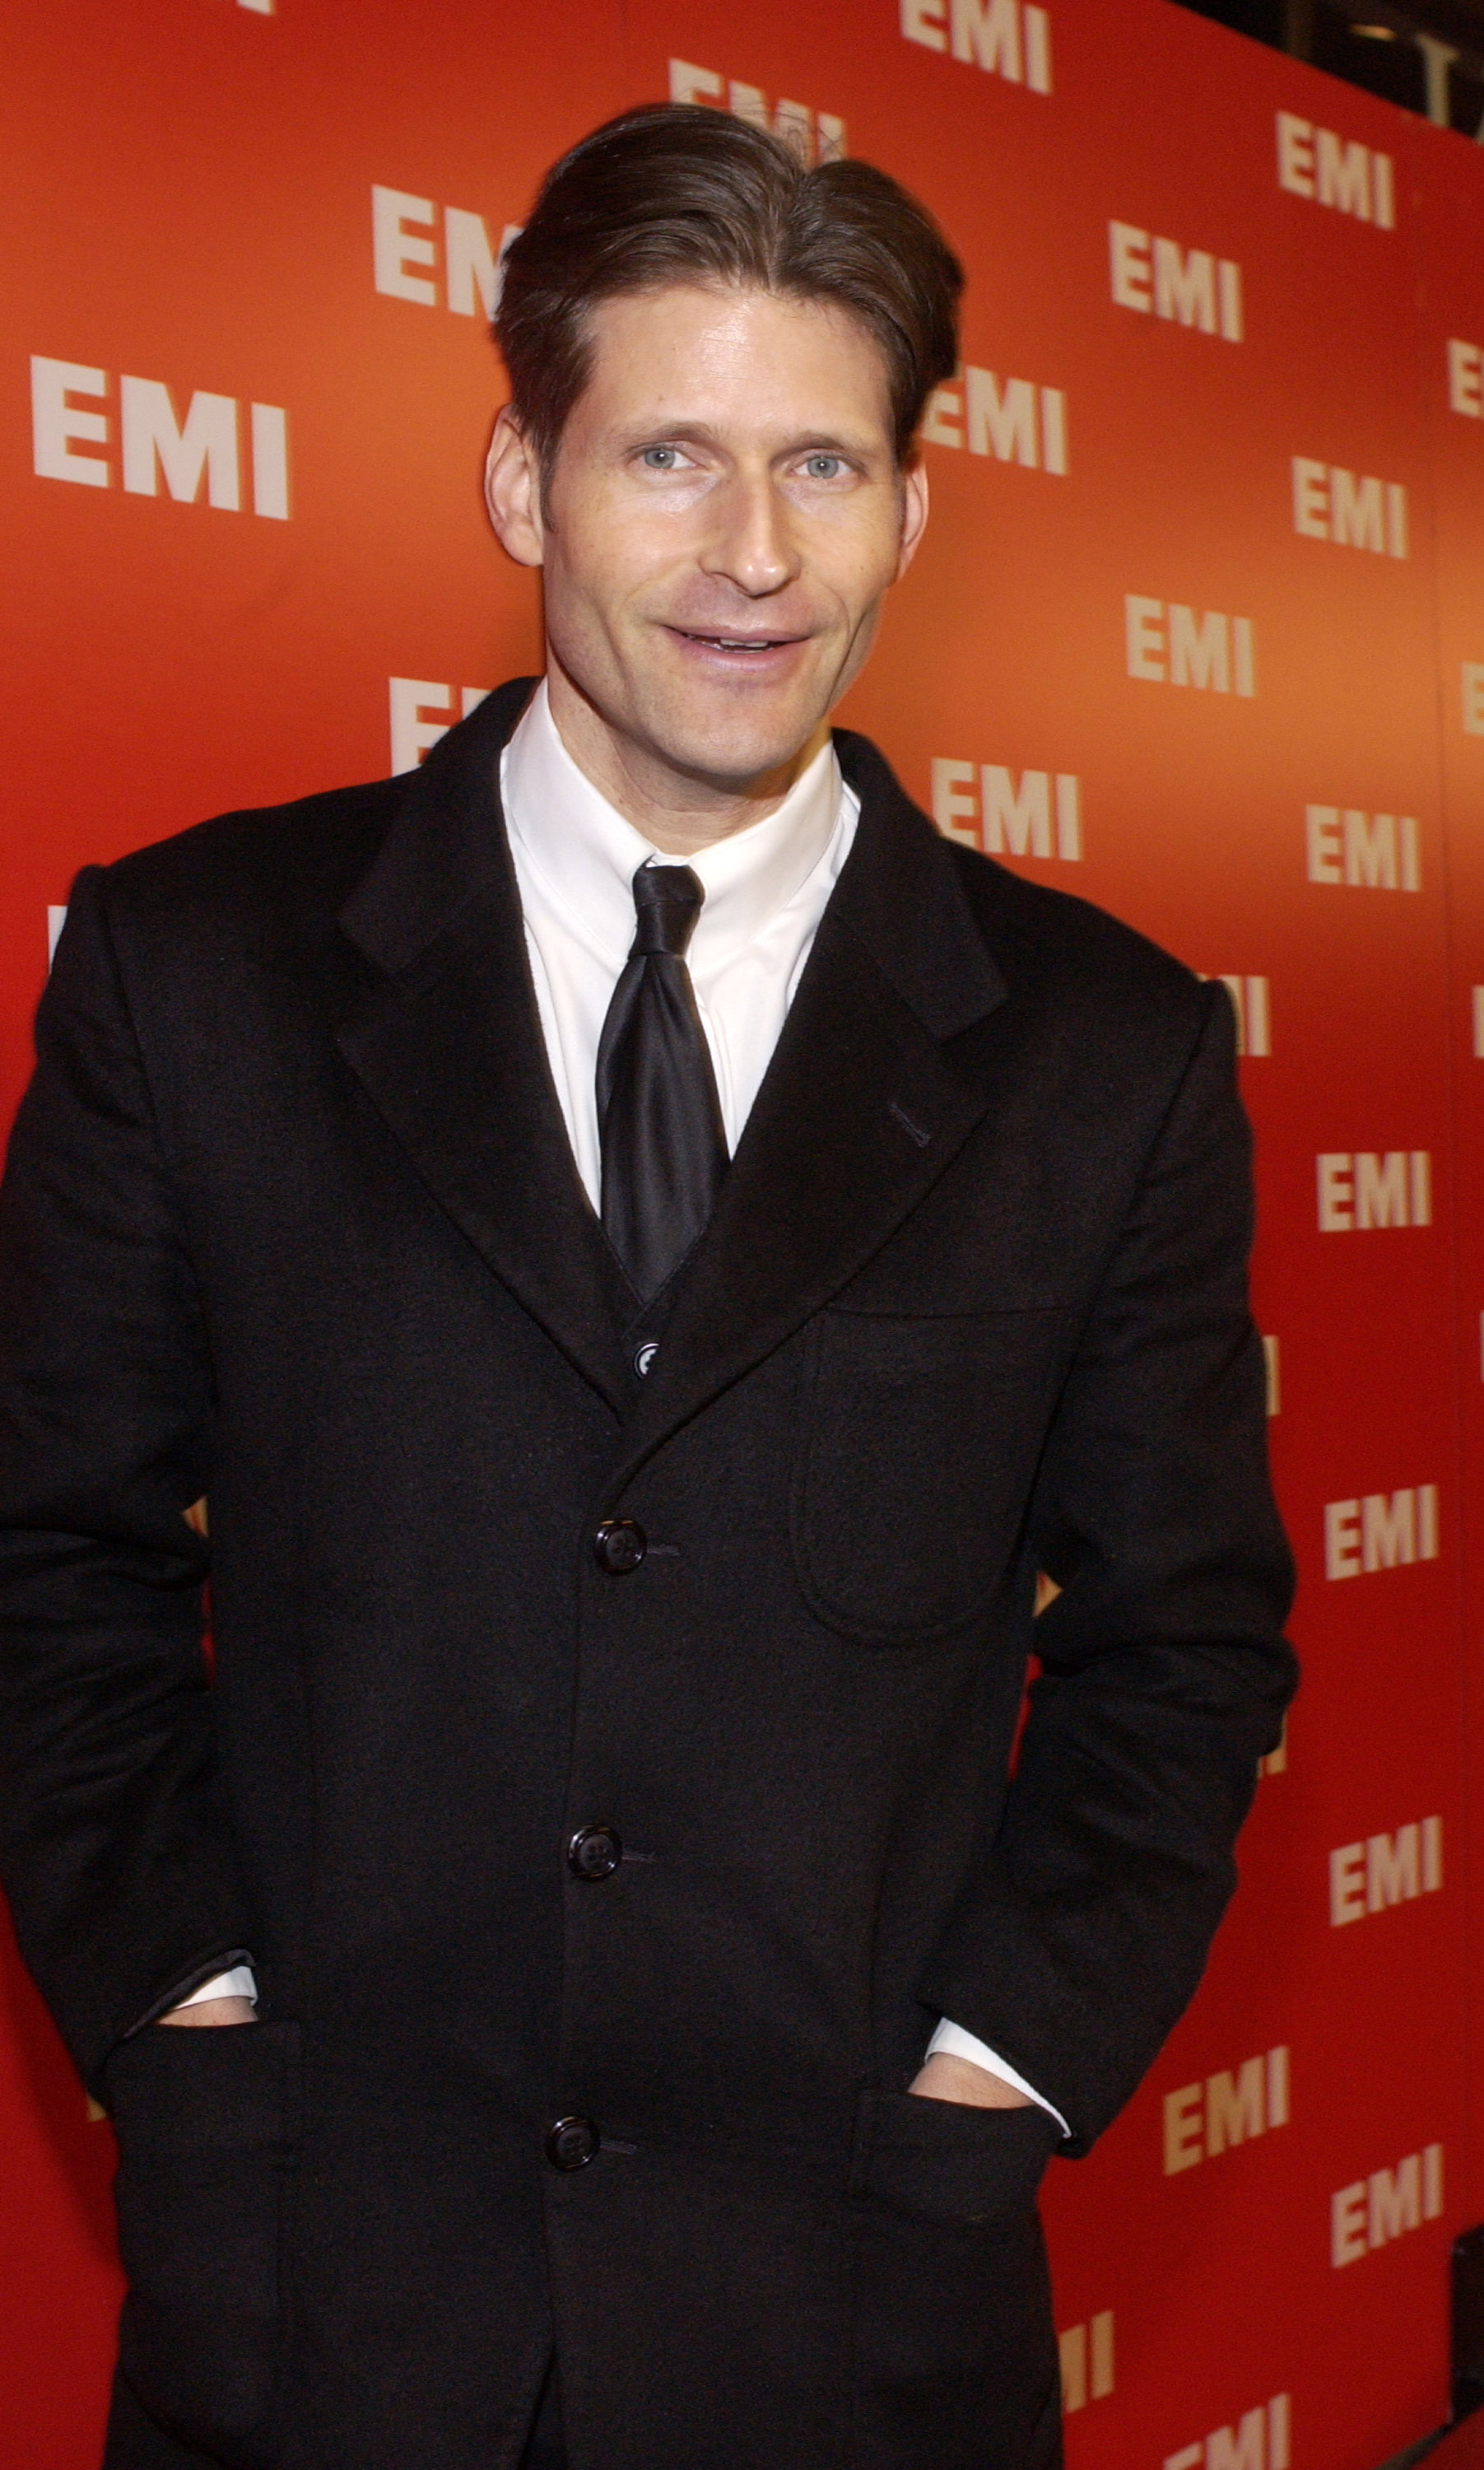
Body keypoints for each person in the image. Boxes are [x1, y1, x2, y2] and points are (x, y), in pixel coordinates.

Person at [0, 103, 1295, 2470]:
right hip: (315, 2312)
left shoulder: (1101, 1049)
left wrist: (994, 2075)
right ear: (524, 481)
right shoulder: (195, 972)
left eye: (824, 465)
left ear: (912, 506)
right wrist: (186, 2021)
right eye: (669, 455)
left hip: (852, 2319)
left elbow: (1183, 1639)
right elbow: (45, 1562)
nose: (752, 556)